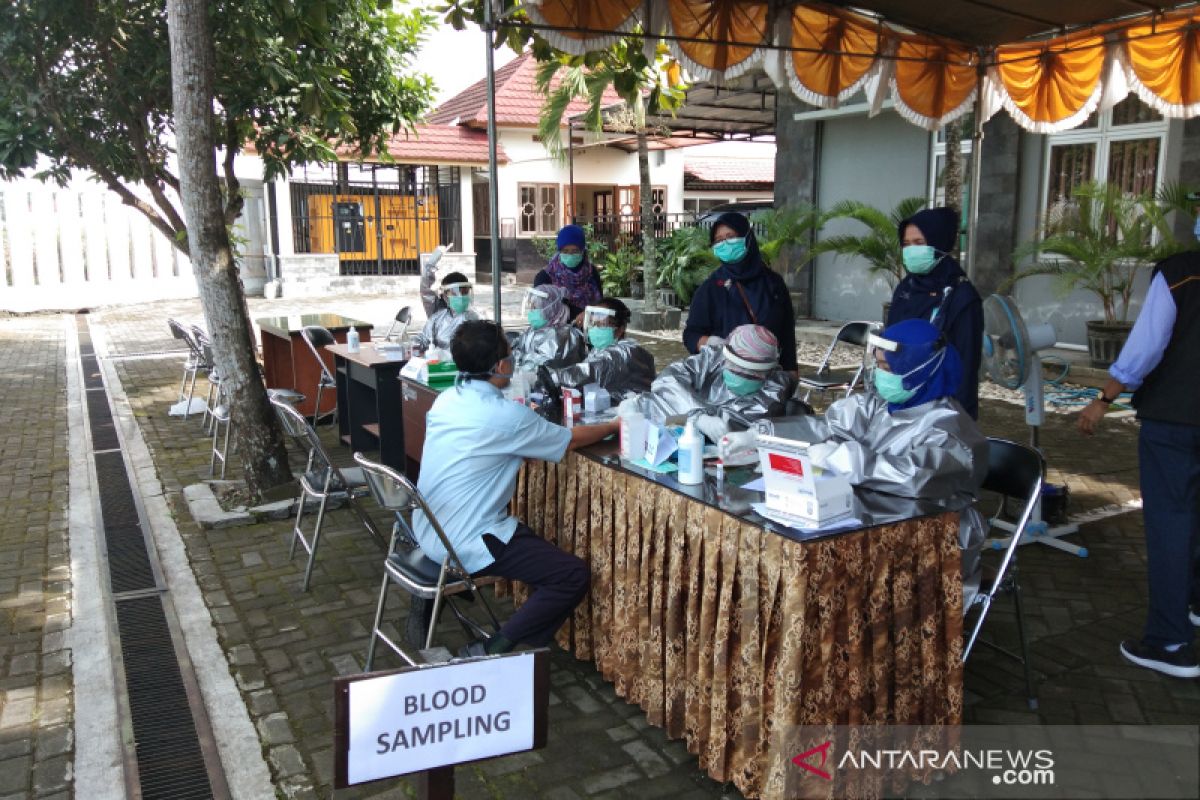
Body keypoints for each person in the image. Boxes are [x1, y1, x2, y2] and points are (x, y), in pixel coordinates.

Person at [413, 320, 619, 657]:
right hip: (465, 539)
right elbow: (570, 440)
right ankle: (497, 647)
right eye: (510, 355)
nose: (513, 361)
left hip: (427, 527)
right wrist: (614, 425)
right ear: (500, 366)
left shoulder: (447, 399)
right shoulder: (506, 415)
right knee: (570, 574)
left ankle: (513, 628)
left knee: (532, 543)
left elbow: (483, 446)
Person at [788, 319, 989, 603]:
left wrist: (846, 459)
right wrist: (765, 433)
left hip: (932, 539)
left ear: (918, 369)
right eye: (878, 366)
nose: (880, 376)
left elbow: (916, 478)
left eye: (887, 368)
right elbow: (827, 426)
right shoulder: (882, 405)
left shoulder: (952, 430)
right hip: (874, 522)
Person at [1077, 250, 1200, 678]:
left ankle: (1171, 640)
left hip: (1175, 419)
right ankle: (1193, 602)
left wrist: (1104, 397)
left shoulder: (1181, 272)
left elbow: (1146, 346)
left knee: (1171, 523)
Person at [888, 206, 983, 418]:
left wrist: (959, 419)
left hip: (939, 407)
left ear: (939, 243)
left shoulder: (962, 296)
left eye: (919, 243)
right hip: (900, 397)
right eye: (906, 244)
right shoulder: (906, 288)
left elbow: (966, 365)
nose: (911, 250)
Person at [682, 212, 798, 373]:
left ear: (747, 237)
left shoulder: (773, 284)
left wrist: (791, 374)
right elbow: (691, 335)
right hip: (725, 378)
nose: (725, 244)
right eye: (719, 240)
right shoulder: (711, 287)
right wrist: (710, 342)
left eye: (730, 236)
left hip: (768, 375)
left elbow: (786, 333)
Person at [644, 323, 797, 442]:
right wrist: (699, 418)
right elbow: (668, 379)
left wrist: (686, 415)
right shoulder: (715, 357)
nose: (737, 373)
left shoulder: (776, 389)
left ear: (767, 372)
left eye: (748, 372)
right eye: (732, 366)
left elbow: (726, 425)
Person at [547, 297, 656, 402]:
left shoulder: (626, 352)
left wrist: (555, 377)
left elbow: (592, 370)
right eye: (593, 324)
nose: (594, 329)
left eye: (601, 325)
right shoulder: (599, 351)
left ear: (620, 329)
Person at [534, 224, 602, 321]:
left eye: (575, 251)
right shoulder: (545, 276)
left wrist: (588, 314)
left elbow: (600, 306)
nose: (570, 255)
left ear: (582, 251)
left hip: (587, 330)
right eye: (565, 251)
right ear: (559, 251)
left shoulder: (591, 273)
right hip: (553, 332)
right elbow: (539, 309)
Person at [511, 285, 588, 371]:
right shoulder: (534, 330)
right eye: (531, 307)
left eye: (535, 307)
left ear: (550, 310)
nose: (531, 311)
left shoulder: (560, 337)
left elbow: (539, 366)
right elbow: (518, 347)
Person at [413, 268, 479, 355]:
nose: (461, 297)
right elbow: (423, 339)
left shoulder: (475, 319)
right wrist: (414, 347)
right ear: (445, 296)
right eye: (455, 293)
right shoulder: (437, 318)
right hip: (439, 365)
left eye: (464, 292)